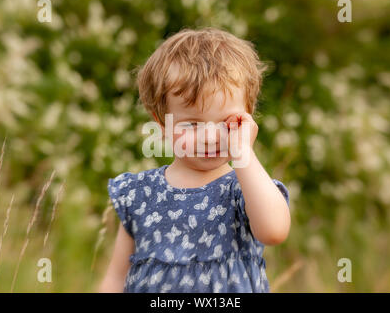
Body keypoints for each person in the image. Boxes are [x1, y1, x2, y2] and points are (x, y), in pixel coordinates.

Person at [99, 27, 291, 293]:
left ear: (247, 118)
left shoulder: (244, 189)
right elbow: (116, 277)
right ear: (161, 124)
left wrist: (243, 153)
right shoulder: (139, 194)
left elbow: (274, 231)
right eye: (192, 124)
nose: (210, 137)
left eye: (226, 122)